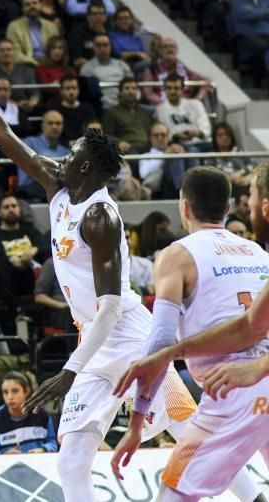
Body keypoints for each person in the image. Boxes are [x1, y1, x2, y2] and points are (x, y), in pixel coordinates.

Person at [0, 13, 205, 502]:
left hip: (128, 335)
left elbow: (112, 305)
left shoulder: (101, 218)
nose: (64, 150)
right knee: (72, 456)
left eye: (74, 147)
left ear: (86, 165)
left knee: (189, 435)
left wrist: (71, 369)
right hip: (93, 343)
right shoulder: (60, 181)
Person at [111, 166, 268, 501]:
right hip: (264, 370)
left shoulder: (176, 255)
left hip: (232, 387)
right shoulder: (259, 252)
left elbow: (159, 341)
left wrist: (137, 420)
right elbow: (250, 324)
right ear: (228, 209)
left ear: (183, 207)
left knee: (174, 493)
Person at [0, 372, 57, 455]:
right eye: (5, 392)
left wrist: (43, 449)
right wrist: (5, 454)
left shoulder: (42, 415)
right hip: (7, 466)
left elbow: (52, 443)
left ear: (26, 391)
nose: (10, 397)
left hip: (38, 464)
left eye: (15, 391)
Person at [142, 36, 211, 105]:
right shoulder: (152, 68)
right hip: (161, 106)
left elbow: (206, 81)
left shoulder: (184, 68)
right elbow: (147, 91)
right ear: (160, 51)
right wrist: (163, 104)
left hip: (185, 106)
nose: (169, 49)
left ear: (177, 50)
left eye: (172, 46)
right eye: (165, 47)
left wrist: (197, 99)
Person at [17, 111, 68, 202]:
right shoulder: (29, 143)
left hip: (58, 190)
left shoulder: (65, 150)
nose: (54, 126)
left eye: (58, 123)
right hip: (31, 188)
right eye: (50, 123)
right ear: (43, 125)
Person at [140, 122, 199, 199]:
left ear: (168, 137)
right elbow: (144, 173)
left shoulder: (175, 148)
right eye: (156, 135)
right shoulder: (146, 155)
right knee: (175, 157)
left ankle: (195, 189)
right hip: (162, 188)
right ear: (150, 138)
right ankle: (184, 192)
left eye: (163, 135)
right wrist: (165, 155)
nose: (160, 138)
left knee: (191, 150)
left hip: (181, 183)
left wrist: (182, 153)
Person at [154, 73, 212, 153]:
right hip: (177, 144)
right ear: (164, 90)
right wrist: (176, 136)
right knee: (183, 151)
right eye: (169, 88)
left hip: (201, 142)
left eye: (176, 88)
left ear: (182, 89)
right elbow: (164, 134)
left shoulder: (196, 104)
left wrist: (197, 133)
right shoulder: (160, 109)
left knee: (193, 150)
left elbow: (205, 128)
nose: (172, 91)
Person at [79, 33, 134, 109]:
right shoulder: (87, 68)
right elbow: (94, 94)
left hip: (126, 102)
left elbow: (133, 84)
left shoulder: (122, 65)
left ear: (110, 47)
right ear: (93, 47)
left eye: (105, 45)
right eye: (98, 45)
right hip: (103, 106)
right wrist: (112, 103)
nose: (102, 48)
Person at [102, 77, 154, 156]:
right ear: (120, 92)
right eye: (127, 88)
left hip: (148, 147)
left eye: (134, 88)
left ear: (137, 91)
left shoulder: (145, 112)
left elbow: (153, 131)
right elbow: (107, 135)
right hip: (128, 148)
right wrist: (119, 142)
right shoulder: (112, 112)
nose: (131, 91)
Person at [5, 0, 59, 67]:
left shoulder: (51, 26)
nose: (32, 6)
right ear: (22, 9)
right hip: (27, 66)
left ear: (40, 6)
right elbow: (15, 53)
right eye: (27, 4)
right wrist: (36, 64)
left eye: (35, 3)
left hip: (50, 65)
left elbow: (58, 48)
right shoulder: (13, 26)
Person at [205, 122, 253, 197]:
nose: (224, 137)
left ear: (232, 137)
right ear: (215, 138)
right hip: (224, 189)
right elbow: (211, 176)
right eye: (220, 135)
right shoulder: (210, 157)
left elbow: (253, 167)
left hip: (244, 183)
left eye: (227, 134)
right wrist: (231, 177)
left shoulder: (241, 151)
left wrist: (240, 173)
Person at [46, 75, 97, 146]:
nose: (71, 92)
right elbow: (50, 133)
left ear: (78, 90)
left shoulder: (88, 108)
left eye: (74, 88)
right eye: (67, 88)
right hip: (59, 147)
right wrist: (68, 143)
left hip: (84, 147)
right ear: (61, 91)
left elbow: (94, 131)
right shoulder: (55, 109)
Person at [34, 257, 74, 330]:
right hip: (63, 311)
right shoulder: (52, 263)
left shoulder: (87, 262)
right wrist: (66, 306)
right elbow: (39, 297)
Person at [67, 0, 107, 69]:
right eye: (94, 14)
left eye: (100, 13)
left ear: (105, 17)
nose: (98, 17)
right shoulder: (78, 33)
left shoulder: (108, 34)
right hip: (85, 70)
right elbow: (77, 60)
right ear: (88, 17)